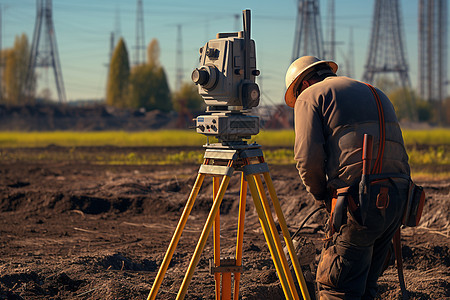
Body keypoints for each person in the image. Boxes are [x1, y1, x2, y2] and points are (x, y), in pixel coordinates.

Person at [284, 56, 410, 299]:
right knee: (365, 288)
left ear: (304, 83)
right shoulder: (376, 91)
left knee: (338, 288)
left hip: (360, 201)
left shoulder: (311, 96)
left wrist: (320, 194)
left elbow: (306, 158)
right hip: (399, 198)